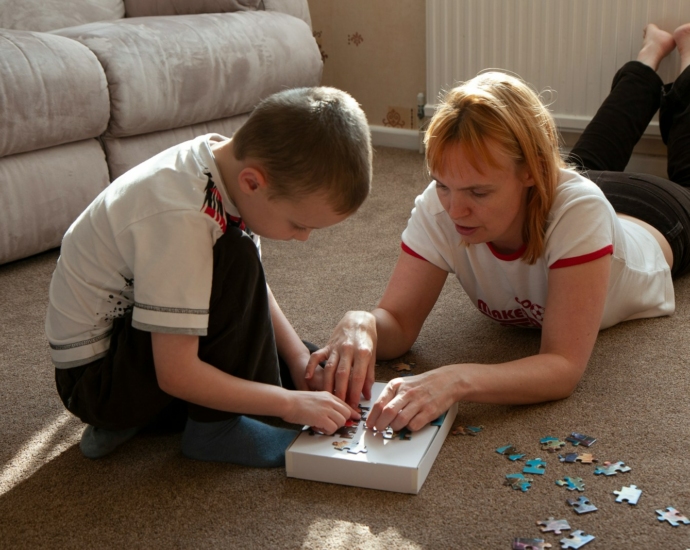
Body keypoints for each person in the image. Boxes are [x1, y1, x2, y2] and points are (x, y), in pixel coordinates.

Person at [305, 23, 690, 433]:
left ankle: (686, 63)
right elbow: (398, 325)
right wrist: (361, 320)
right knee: (597, 148)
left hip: (653, 214)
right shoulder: (444, 205)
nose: (455, 209)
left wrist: (453, 379)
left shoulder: (579, 211)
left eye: (478, 192)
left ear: (532, 171)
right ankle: (649, 56)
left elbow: (562, 367)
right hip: (555, 196)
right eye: (443, 184)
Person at [45, 86, 372, 465]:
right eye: (299, 224)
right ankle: (215, 431)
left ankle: (157, 420)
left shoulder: (226, 166)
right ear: (253, 182)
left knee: (304, 362)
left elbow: (250, 292)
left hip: (140, 344)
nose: (303, 238)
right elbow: (177, 374)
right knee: (237, 259)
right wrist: (288, 403)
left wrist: (298, 359)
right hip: (97, 383)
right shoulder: (183, 215)